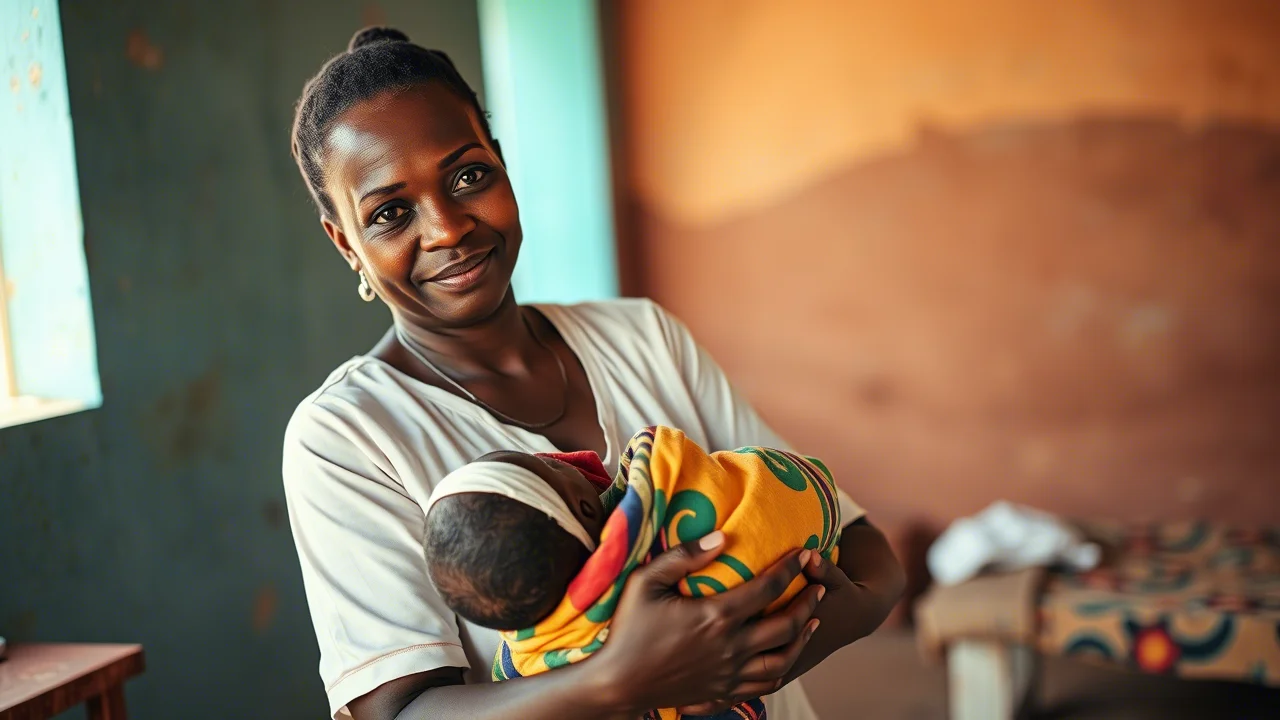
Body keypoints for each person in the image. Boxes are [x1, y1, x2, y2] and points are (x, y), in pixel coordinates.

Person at [282, 26, 905, 720]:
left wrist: (791, 645)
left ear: (502, 163)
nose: (447, 227)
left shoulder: (643, 337)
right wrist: (623, 680)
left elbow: (858, 544)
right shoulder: (345, 436)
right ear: (347, 244)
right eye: (391, 213)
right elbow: (396, 714)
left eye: (467, 176)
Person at [422, 426, 858, 720]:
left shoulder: (528, 662)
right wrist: (621, 674)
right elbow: (771, 495)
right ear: (585, 507)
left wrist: (852, 613)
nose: (562, 460)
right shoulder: (660, 511)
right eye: (552, 467)